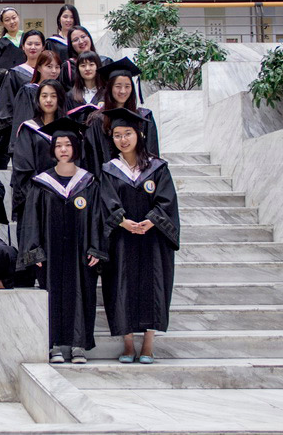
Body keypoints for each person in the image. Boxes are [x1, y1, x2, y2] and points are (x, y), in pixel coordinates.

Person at [17, 118, 106, 363]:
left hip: (80, 250)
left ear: (76, 147)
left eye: (68, 144)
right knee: (52, 294)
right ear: (52, 149)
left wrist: (96, 248)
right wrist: (34, 250)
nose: (63, 149)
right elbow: (32, 220)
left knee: (82, 293)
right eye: (58, 145)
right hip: (51, 251)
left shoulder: (89, 182)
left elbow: (97, 218)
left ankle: (78, 345)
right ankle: (54, 344)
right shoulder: (41, 183)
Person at [99, 108, 179, 364]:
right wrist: (122, 221)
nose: (123, 140)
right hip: (122, 239)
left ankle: (148, 344)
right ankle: (128, 344)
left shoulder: (157, 167)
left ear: (139, 135)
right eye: (117, 135)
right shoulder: (109, 170)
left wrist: (152, 220)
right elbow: (106, 202)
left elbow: (167, 201)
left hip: (152, 239)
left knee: (152, 286)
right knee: (121, 285)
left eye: (128, 134)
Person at [84, 58, 160, 177]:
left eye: (127, 86)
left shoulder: (144, 117)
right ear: (110, 88)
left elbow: (151, 154)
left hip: (140, 180)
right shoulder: (97, 120)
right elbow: (93, 159)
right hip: (108, 182)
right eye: (118, 86)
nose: (123, 91)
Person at [11, 78, 66, 222]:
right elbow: (23, 168)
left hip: (63, 198)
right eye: (44, 96)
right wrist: (41, 195)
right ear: (38, 99)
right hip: (34, 199)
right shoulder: (28, 129)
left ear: (60, 99)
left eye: (53, 96)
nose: (48, 100)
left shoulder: (67, 129)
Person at [9, 50, 62, 153]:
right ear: (38, 68)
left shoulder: (61, 91)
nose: (54, 71)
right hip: (32, 145)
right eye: (49, 66)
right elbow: (23, 121)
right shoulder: (28, 91)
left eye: (57, 67)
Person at [0, 29, 45, 128]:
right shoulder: (15, 74)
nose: (33, 47)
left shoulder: (49, 72)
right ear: (23, 47)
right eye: (29, 44)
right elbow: (6, 105)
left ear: (43, 47)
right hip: (22, 126)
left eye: (37, 44)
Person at [59, 26, 112, 91]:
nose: (81, 41)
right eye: (75, 40)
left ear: (89, 37)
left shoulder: (106, 62)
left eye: (83, 37)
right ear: (71, 45)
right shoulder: (68, 66)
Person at [0, 6, 25, 89]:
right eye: (7, 20)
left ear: (18, 17)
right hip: (8, 85)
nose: (12, 22)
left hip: (28, 82)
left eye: (14, 18)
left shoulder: (28, 38)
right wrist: (7, 73)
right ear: (2, 23)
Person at [66, 51, 105, 125]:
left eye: (91, 64)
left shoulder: (106, 94)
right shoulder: (70, 96)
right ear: (78, 69)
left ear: (98, 66)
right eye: (83, 65)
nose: (87, 68)